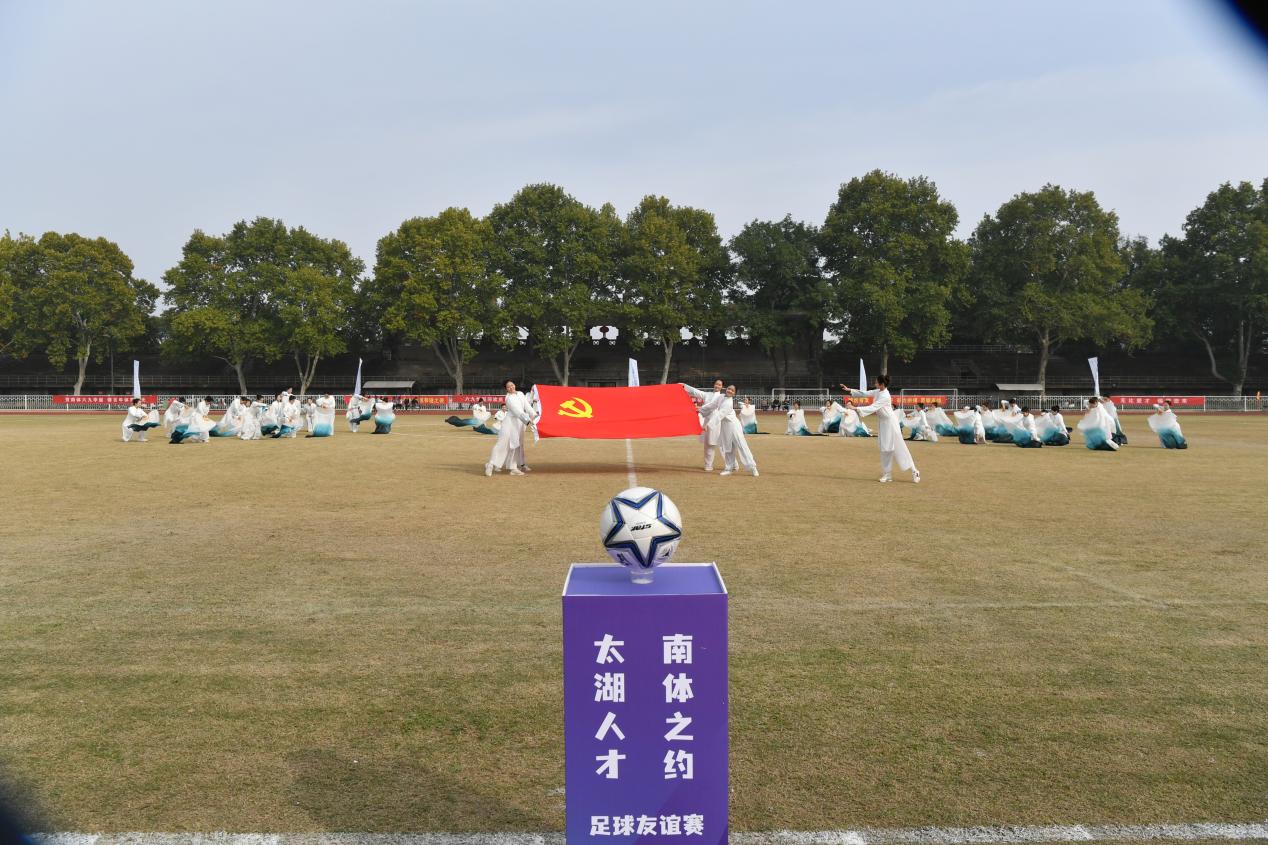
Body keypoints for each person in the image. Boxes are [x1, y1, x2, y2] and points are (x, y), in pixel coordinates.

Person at [843, 375, 920, 483]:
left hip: (891, 423)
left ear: (882, 384)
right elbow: (865, 393)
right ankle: (887, 474)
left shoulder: (885, 396)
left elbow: (873, 407)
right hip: (883, 423)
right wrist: (850, 390)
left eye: (876, 382)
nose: (875, 384)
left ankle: (914, 471)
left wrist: (855, 408)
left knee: (900, 448)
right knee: (885, 449)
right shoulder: (878, 391)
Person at [683, 383, 758, 477]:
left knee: (741, 445)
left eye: (732, 390)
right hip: (725, 426)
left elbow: (719, 415)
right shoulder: (721, 397)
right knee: (728, 447)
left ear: (734, 393)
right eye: (729, 389)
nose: (729, 391)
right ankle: (729, 468)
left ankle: (753, 467)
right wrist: (701, 409)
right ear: (726, 389)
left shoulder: (729, 403)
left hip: (734, 426)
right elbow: (712, 405)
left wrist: (708, 425)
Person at [484, 379, 535, 476]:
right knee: (502, 443)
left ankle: (513, 468)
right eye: (508, 387)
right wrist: (528, 420)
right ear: (506, 389)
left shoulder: (520, 394)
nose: (511, 387)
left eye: (512, 385)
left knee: (516, 444)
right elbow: (517, 411)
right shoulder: (508, 398)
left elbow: (527, 406)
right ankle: (490, 464)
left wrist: (534, 415)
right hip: (509, 423)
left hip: (519, 423)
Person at [697, 379, 725, 471]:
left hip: (717, 423)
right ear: (714, 385)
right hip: (706, 422)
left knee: (723, 446)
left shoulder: (722, 397)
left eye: (719, 385)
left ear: (722, 387)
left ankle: (732, 464)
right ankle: (708, 465)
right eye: (716, 384)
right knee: (708, 444)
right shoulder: (707, 394)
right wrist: (684, 386)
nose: (717, 386)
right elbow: (695, 391)